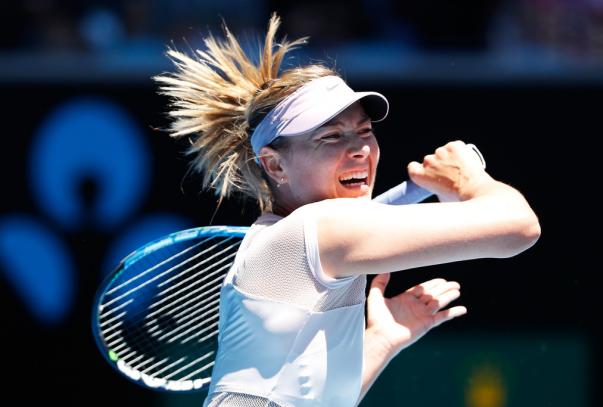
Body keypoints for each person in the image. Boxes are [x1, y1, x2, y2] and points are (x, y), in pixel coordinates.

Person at [154, 14, 540, 407]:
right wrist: (470, 179)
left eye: (365, 131)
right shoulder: (321, 228)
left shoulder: (303, 240)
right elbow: (519, 227)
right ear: (274, 165)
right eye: (331, 136)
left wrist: (381, 341)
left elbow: (305, 398)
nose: (359, 149)